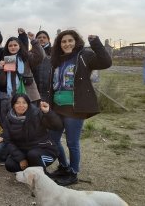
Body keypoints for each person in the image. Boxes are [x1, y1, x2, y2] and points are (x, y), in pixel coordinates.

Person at [48, 30, 112, 186]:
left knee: (72, 143)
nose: (67, 44)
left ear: (76, 42)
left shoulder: (84, 56)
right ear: (59, 44)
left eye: (70, 40)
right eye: (63, 41)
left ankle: (73, 173)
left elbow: (105, 62)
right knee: (53, 141)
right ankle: (63, 166)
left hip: (75, 108)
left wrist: (96, 43)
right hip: (57, 106)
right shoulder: (56, 60)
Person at [1, 93, 63, 173]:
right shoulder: (8, 119)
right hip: (24, 151)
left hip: (44, 150)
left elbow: (57, 126)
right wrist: (21, 158)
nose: (21, 105)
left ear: (28, 104)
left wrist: (48, 112)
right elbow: (8, 141)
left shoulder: (36, 114)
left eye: (24, 103)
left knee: (33, 154)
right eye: (17, 103)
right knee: (10, 164)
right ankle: (31, 170)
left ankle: (43, 176)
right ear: (13, 105)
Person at [0, 31, 45, 102]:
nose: (13, 47)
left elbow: (40, 56)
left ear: (19, 46)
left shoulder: (26, 56)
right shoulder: (5, 60)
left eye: (15, 45)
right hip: (13, 96)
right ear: (7, 48)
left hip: (30, 96)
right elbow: (2, 82)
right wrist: (1, 69)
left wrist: (34, 41)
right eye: (10, 46)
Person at [32, 31, 52, 102]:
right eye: (39, 37)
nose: (42, 39)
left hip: (49, 91)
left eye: (44, 37)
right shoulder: (31, 53)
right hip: (35, 92)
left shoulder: (54, 52)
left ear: (48, 40)